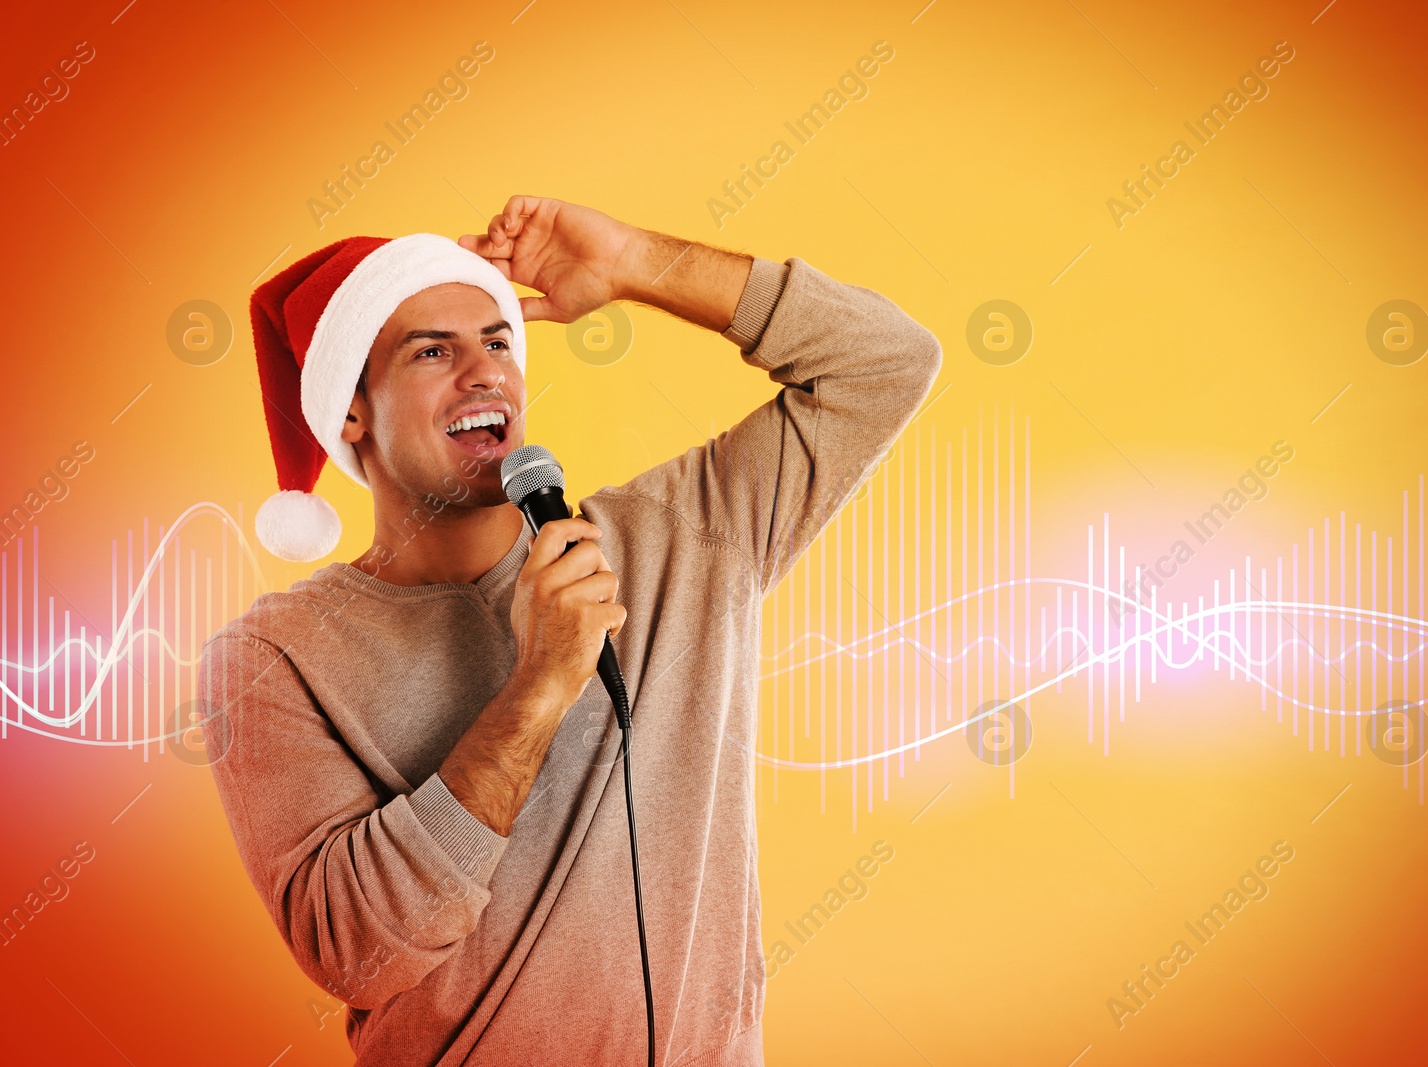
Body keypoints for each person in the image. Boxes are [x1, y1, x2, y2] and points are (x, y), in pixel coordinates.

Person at [199, 195, 941, 1066]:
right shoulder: (271, 657)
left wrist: (634, 262)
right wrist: (541, 682)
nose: (486, 373)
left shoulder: (686, 535)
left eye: (500, 339)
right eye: (433, 350)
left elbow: (886, 362)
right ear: (351, 411)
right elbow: (358, 951)